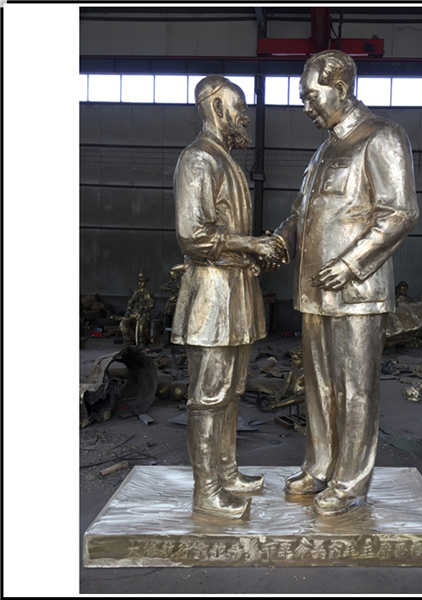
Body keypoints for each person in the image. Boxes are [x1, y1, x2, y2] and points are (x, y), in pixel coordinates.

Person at [271, 50, 419, 516]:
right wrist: (276, 243)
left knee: (355, 390)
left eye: (311, 96)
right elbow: (301, 213)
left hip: (356, 292)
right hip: (314, 291)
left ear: (340, 87)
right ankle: (320, 466)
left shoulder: (382, 137)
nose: (305, 107)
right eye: (302, 97)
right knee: (319, 387)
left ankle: (350, 481)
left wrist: (351, 264)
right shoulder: (324, 150)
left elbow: (399, 213)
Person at [171, 75, 281, 519]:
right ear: (217, 108)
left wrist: (253, 255)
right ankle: (208, 490)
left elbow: (226, 233)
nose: (244, 117)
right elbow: (192, 235)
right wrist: (252, 245)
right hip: (212, 293)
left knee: (232, 390)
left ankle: (227, 471)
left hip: (236, 289)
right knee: (209, 396)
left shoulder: (227, 161)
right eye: (239, 108)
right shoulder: (199, 158)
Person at [119, 273, 155, 346]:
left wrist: (144, 307)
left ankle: (141, 343)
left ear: (145, 283)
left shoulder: (148, 293)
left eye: (142, 282)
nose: (140, 284)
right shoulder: (136, 292)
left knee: (141, 327)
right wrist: (129, 310)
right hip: (133, 313)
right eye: (139, 282)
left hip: (143, 313)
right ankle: (128, 340)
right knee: (123, 324)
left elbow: (151, 305)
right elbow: (130, 303)